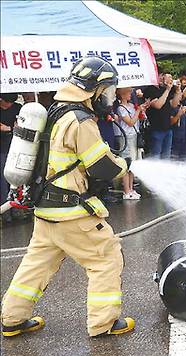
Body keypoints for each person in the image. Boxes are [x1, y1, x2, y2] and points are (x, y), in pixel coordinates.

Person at [1, 56, 133, 337]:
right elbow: (101, 167)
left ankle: (12, 318)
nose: (108, 98)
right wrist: (126, 164)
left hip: (46, 211)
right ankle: (103, 323)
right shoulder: (80, 120)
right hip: (72, 212)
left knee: (36, 265)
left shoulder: (54, 110)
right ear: (94, 90)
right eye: (106, 91)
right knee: (106, 257)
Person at [116, 87, 146, 200]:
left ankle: (131, 188)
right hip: (126, 136)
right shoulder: (121, 108)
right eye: (128, 92)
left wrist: (141, 109)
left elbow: (138, 119)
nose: (130, 95)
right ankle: (126, 190)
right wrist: (138, 111)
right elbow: (130, 122)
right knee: (126, 163)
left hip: (134, 135)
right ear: (123, 94)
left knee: (133, 163)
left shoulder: (132, 106)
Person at [1, 93, 22, 223]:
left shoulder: (18, 108)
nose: (9, 105)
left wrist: (7, 128)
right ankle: (5, 212)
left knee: (15, 179)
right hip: (2, 149)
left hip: (15, 148)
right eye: (7, 102)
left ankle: (17, 208)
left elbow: (19, 126)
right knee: (2, 181)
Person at [144, 73, 174, 159]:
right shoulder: (149, 90)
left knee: (166, 155)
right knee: (155, 155)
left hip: (168, 127)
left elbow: (173, 104)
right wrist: (167, 90)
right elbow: (158, 105)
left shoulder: (163, 89)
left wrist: (177, 90)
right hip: (156, 128)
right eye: (160, 76)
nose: (162, 78)